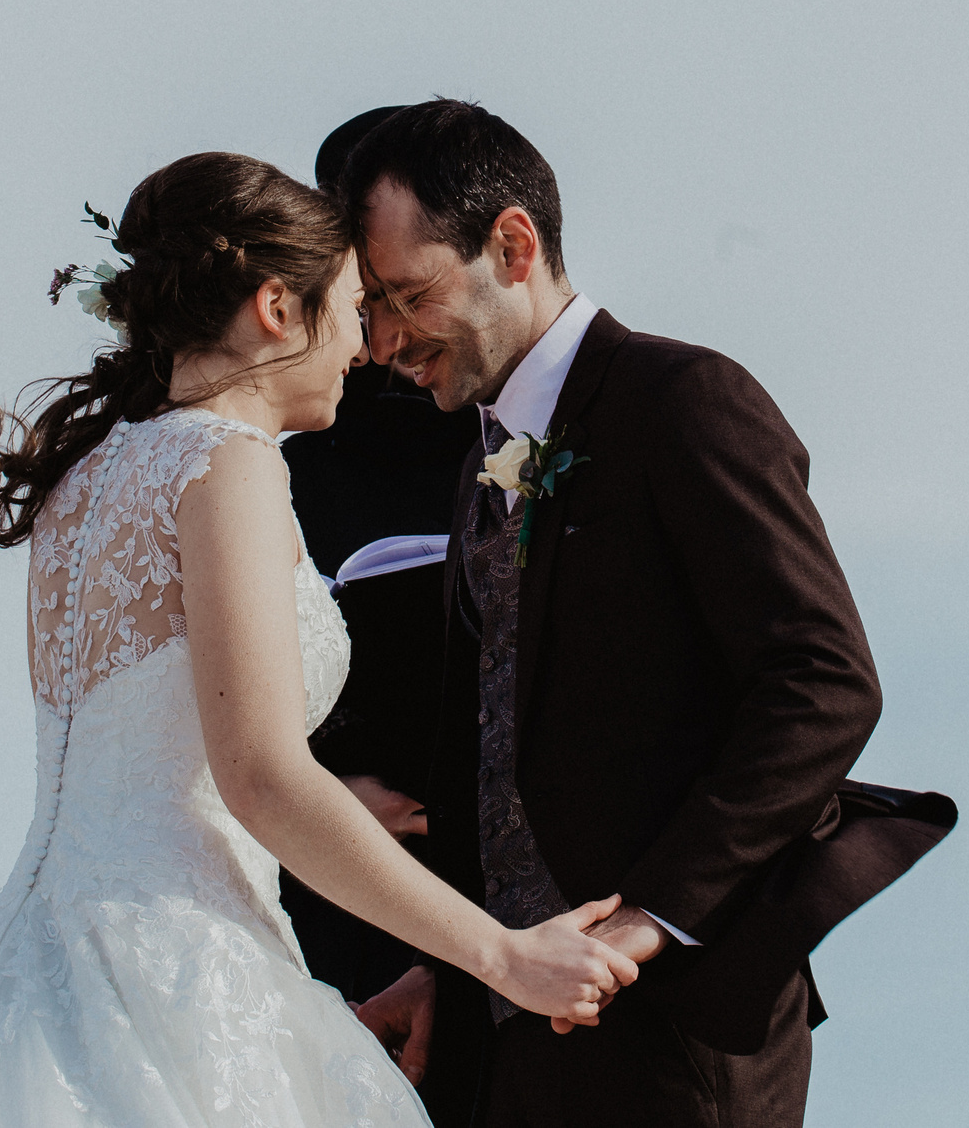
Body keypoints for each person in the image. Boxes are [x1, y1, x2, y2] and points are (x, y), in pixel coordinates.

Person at [0, 151, 638, 1128]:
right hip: (171, 973)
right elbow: (263, 778)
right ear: (278, 307)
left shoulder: (87, 480)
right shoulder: (226, 466)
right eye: (353, 309)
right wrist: (502, 953)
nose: (364, 349)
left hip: (32, 962)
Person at [342, 101, 885, 1128]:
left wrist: (651, 918)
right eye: (367, 308)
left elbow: (821, 684)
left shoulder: (682, 399)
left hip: (676, 1025)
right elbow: (494, 752)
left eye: (405, 297)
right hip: (517, 1032)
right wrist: (453, 973)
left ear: (512, 244)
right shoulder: (475, 468)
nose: (381, 342)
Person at [281, 108, 486, 1123]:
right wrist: (322, 792)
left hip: (506, 891)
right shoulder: (276, 442)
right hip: (328, 904)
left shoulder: (523, 431)